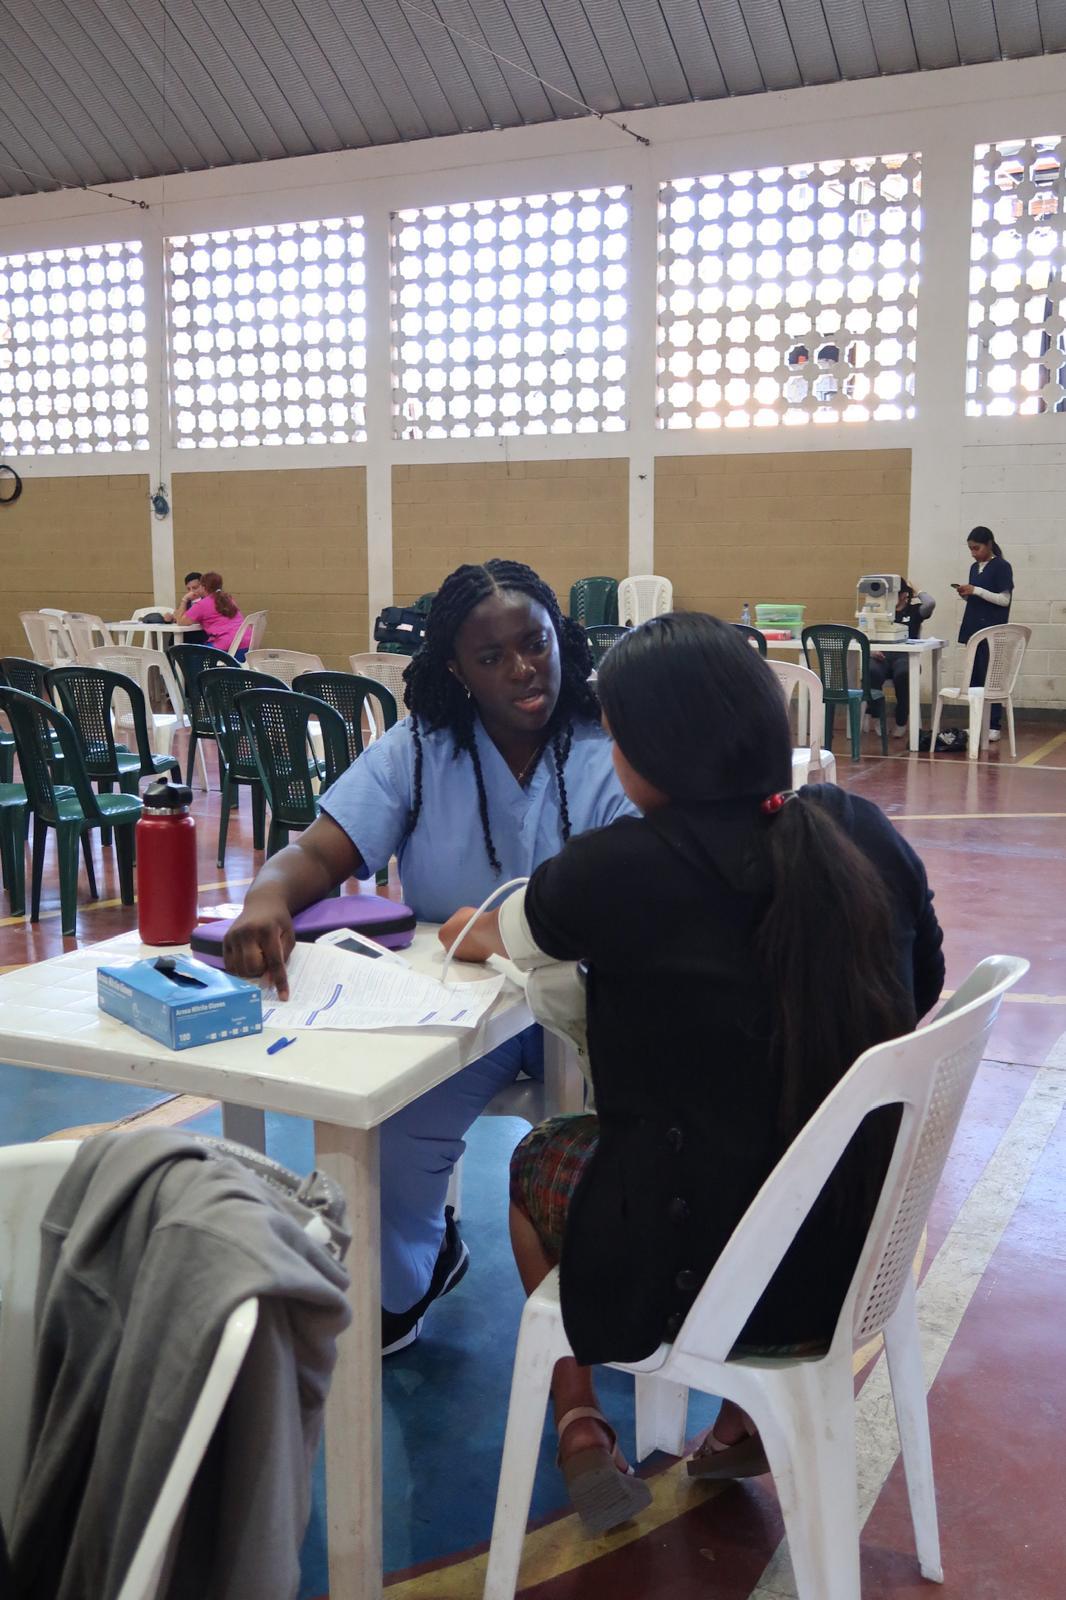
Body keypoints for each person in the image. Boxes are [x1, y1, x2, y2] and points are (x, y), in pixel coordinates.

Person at [442, 612, 944, 1534]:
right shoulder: (857, 831)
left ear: (643, 753)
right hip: (855, 1247)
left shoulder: (611, 871)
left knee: (534, 1164)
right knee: (754, 1140)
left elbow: (484, 937)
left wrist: (462, 923)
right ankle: (742, 1419)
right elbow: (931, 981)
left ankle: (580, 1424)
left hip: (706, 1269)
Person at [222, 560, 637, 1354]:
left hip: (588, 1007)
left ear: (562, 638)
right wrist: (267, 901)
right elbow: (318, 851)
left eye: (536, 643)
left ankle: (612, 1306)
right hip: (450, 1008)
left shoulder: (607, 745)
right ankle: (408, 1275)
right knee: (383, 1121)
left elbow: (639, 897)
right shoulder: (421, 749)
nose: (523, 669)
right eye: (492, 657)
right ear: (456, 670)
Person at [953, 527, 1013, 739]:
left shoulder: (1002, 567)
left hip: (992, 629)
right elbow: (979, 597)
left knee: (991, 676)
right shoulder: (973, 567)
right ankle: (977, 721)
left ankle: (994, 724)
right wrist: (967, 594)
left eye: (976, 548)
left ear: (989, 544)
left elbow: (1004, 599)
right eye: (970, 549)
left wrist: (976, 590)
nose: (973, 553)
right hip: (973, 628)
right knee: (975, 677)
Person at [867, 580, 936, 737]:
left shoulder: (915, 611)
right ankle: (877, 716)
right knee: (870, 671)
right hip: (881, 656)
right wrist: (872, 651)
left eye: (894, 594)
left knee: (904, 674)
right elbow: (866, 635)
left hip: (905, 657)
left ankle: (901, 720)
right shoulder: (879, 612)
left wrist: (917, 590)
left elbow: (930, 603)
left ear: (904, 594)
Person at [174, 571, 252, 659]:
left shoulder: (201, 605)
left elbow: (180, 622)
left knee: (193, 655)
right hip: (248, 640)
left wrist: (185, 599)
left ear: (203, 587)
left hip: (229, 644)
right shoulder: (228, 599)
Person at [167, 571, 206, 642]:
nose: (191, 592)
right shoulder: (186, 602)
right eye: (188, 589)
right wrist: (171, 618)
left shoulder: (206, 601)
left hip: (199, 639)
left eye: (195, 588)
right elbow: (178, 618)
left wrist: (184, 599)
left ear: (202, 586)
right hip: (181, 638)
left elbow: (184, 621)